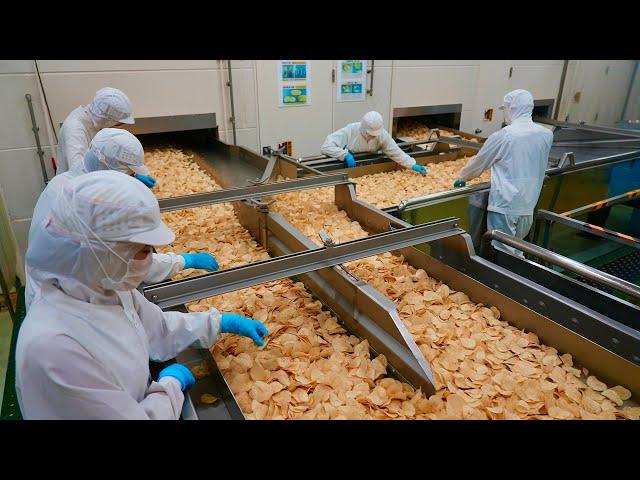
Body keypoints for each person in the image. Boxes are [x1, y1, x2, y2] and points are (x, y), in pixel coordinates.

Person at [16, 171, 268, 419]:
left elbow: (157, 328)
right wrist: (170, 387)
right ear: (101, 252)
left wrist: (218, 322)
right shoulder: (54, 348)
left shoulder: (106, 288)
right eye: (143, 250)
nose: (149, 259)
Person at [25, 128, 219, 311]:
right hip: (65, 306)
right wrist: (182, 260)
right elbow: (124, 263)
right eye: (129, 172)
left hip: (74, 292)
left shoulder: (71, 183)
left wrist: (127, 182)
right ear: (105, 166)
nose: (132, 176)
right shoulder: (83, 205)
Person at [453, 89, 553, 255]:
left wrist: (463, 176)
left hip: (505, 206)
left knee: (502, 253)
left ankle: (500, 280)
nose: (505, 114)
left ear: (512, 108)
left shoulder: (504, 136)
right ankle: (517, 278)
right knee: (518, 249)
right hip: (528, 205)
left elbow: (480, 162)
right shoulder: (546, 135)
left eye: (505, 109)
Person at [56, 87, 136, 174]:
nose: (116, 127)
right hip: (73, 185)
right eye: (117, 123)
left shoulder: (93, 121)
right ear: (106, 119)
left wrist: (129, 173)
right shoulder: (75, 129)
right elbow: (78, 171)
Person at [321, 111, 428, 174]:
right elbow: (326, 146)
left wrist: (413, 164)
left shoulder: (382, 134)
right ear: (363, 128)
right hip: (348, 168)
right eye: (370, 133)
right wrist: (345, 155)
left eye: (375, 134)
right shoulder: (351, 130)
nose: (373, 136)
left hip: (370, 168)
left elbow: (395, 152)